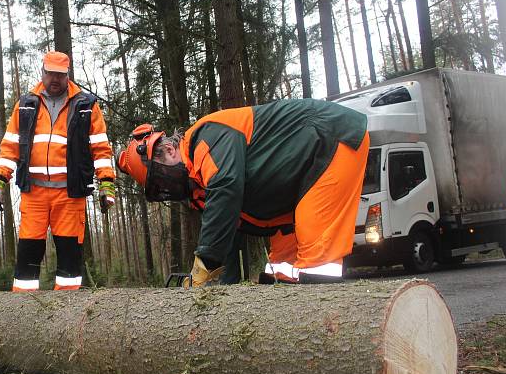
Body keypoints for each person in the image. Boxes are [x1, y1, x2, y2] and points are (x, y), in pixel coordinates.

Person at [117, 98, 369, 287]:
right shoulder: (200, 185)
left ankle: (328, 331)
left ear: (171, 150)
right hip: (289, 191)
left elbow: (226, 189)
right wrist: (222, 277)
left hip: (329, 140)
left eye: (161, 177)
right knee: (280, 269)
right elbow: (228, 222)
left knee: (318, 260)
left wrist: (206, 262)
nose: (166, 187)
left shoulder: (207, 137)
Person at [0, 51, 116, 292]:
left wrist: (107, 184)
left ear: (67, 75)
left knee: (70, 260)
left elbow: (101, 148)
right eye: (50, 73)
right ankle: (22, 312)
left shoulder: (86, 105)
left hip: (70, 195)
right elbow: (10, 148)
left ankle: (66, 318)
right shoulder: (26, 104)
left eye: (59, 74)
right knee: (28, 255)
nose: (54, 79)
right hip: (34, 194)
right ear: (43, 72)